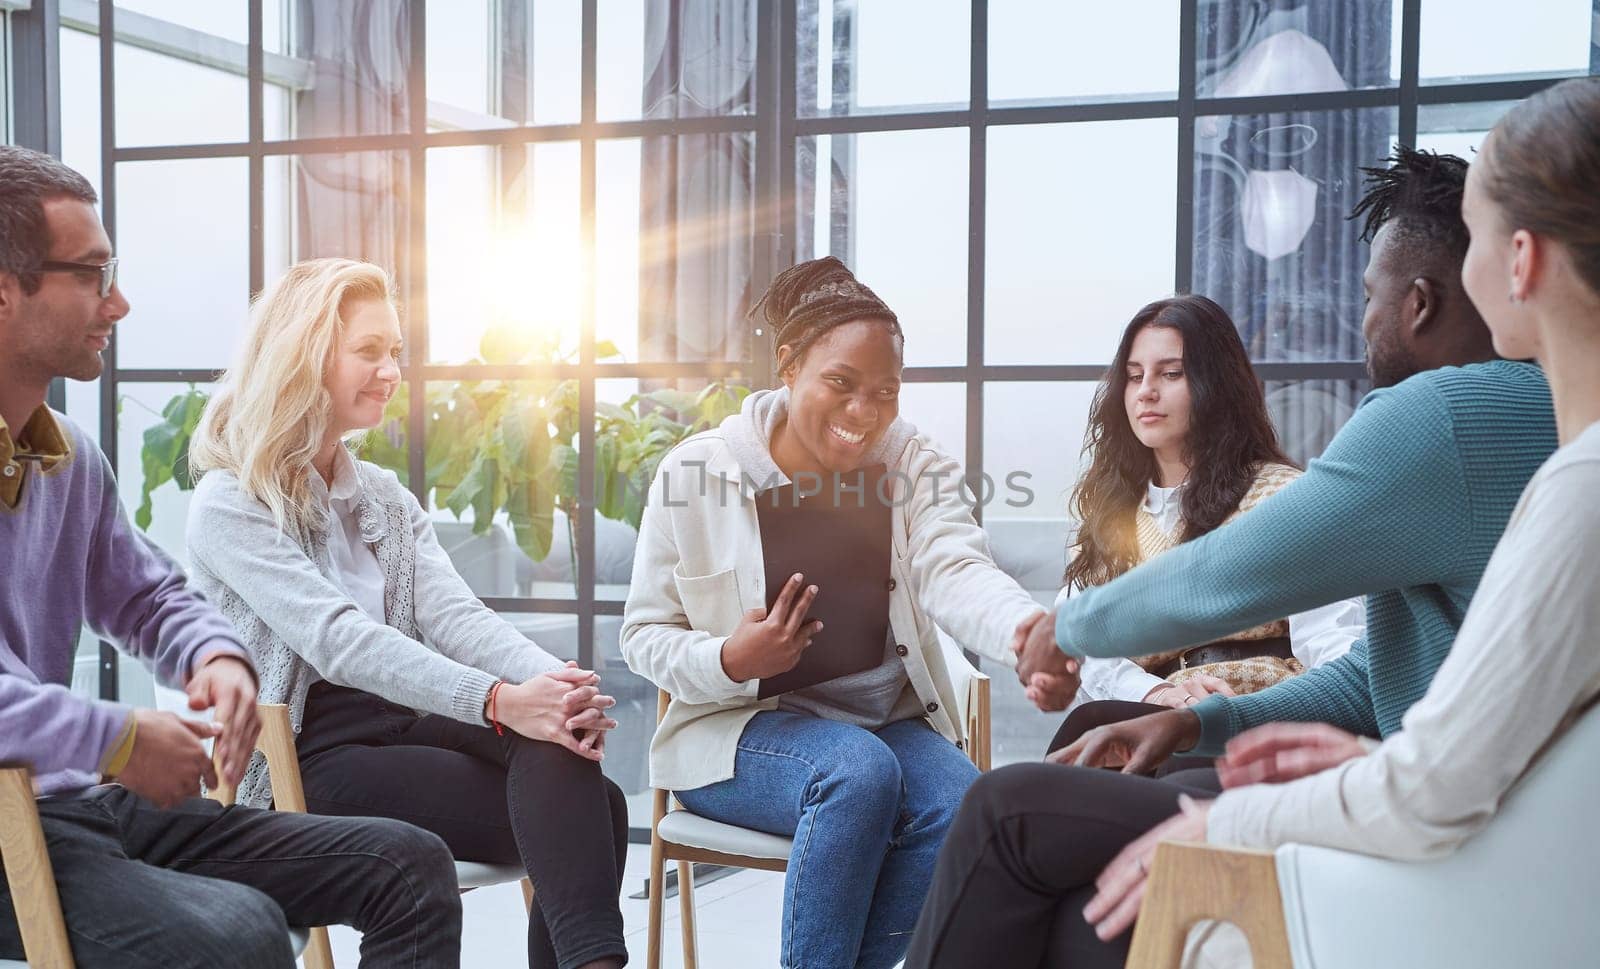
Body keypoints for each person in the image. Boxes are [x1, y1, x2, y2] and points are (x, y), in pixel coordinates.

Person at [905, 143, 1559, 969]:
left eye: (1368, 296)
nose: (1362, 320)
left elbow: (1230, 572)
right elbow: (1378, 677)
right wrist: (1192, 720)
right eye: (1135, 375)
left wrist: (1066, 628)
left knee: (1007, 810)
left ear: (1419, 303)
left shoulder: (1441, 416)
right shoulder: (1543, 415)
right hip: (1451, 807)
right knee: (1082, 916)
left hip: (1401, 813)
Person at [0, 145, 462, 969]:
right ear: (4, 290)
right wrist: (120, 737)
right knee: (241, 930)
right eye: (93, 276)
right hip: (7, 834)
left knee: (409, 864)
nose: (120, 303)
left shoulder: (65, 455)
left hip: (78, 805)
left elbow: (145, 598)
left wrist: (215, 655)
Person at [184, 258, 628, 969]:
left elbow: (458, 617)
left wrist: (558, 684)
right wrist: (497, 699)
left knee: (575, 763)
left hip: (407, 719)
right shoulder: (229, 502)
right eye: (370, 351)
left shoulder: (382, 496)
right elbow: (339, 642)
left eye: (396, 351)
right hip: (312, 752)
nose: (392, 370)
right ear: (303, 356)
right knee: (596, 809)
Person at [621, 257, 1045, 969]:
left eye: (884, 392)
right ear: (788, 366)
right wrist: (729, 658)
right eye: (841, 385)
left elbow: (956, 564)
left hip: (883, 726)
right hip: (735, 738)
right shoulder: (697, 473)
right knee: (856, 771)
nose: (862, 414)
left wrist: (1025, 629)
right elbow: (642, 635)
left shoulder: (913, 464)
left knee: (960, 803)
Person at [1046, 294, 1362, 756]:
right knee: (1084, 732)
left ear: (1216, 382)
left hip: (1259, 719)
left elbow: (1336, 640)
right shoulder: (1106, 518)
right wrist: (1155, 694)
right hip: (1154, 717)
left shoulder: (1285, 498)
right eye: (1134, 376)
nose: (1146, 392)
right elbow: (1086, 646)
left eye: (1170, 374)